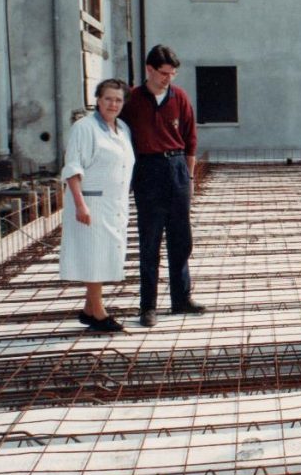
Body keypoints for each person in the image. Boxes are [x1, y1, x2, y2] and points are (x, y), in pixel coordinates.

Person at [120, 45, 206, 327]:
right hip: (148, 171)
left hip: (177, 168)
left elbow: (190, 138)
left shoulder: (179, 97)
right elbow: (119, 134)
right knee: (150, 241)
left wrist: (189, 178)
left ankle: (181, 298)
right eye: (163, 73)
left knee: (181, 238)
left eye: (172, 73)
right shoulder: (132, 99)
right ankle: (148, 307)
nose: (168, 78)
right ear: (149, 69)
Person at [60, 79, 136, 333]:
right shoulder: (84, 127)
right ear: (98, 100)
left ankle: (88, 310)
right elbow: (72, 167)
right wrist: (80, 205)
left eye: (118, 99)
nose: (113, 104)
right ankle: (99, 314)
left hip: (113, 203)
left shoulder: (122, 128)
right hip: (90, 202)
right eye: (108, 99)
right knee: (94, 256)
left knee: (104, 254)